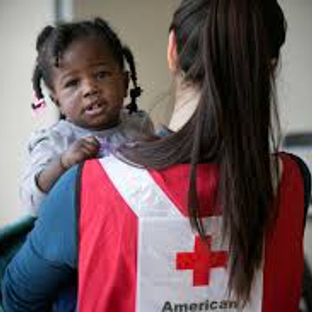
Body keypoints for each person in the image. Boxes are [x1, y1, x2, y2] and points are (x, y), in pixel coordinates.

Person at [2, 0, 311, 311]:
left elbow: (15, 300)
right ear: (270, 66)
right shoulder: (293, 181)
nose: (89, 89)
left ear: (172, 50)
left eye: (100, 74)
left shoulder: (84, 188)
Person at [20, 17, 154, 215]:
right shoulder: (54, 141)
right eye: (73, 83)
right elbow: (32, 203)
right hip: (78, 235)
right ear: (58, 102)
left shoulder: (139, 125)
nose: (90, 89)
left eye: (101, 74)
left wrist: (157, 149)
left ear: (125, 83)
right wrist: (63, 164)